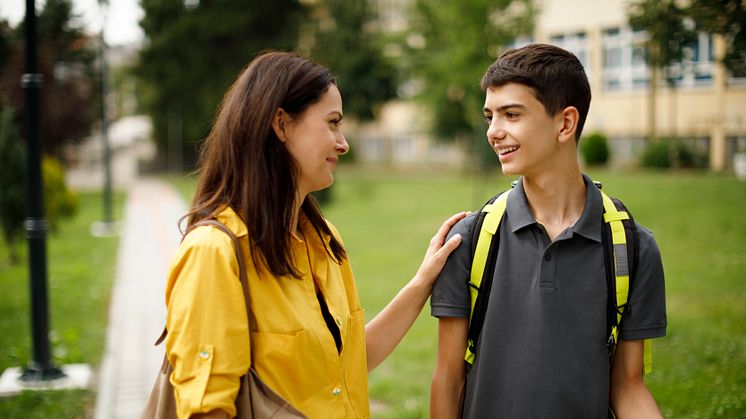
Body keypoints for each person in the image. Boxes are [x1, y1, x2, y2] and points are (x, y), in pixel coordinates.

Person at [162, 51, 466, 419]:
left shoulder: (323, 242)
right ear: (282, 125)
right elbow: (206, 410)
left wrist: (423, 281)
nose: (343, 143)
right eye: (332, 123)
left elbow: (350, 361)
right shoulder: (214, 252)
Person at [429, 43, 667, 418]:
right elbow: (449, 379)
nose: (494, 131)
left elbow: (628, 386)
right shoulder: (470, 239)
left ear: (565, 123)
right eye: (490, 116)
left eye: (511, 114)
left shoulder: (632, 248)